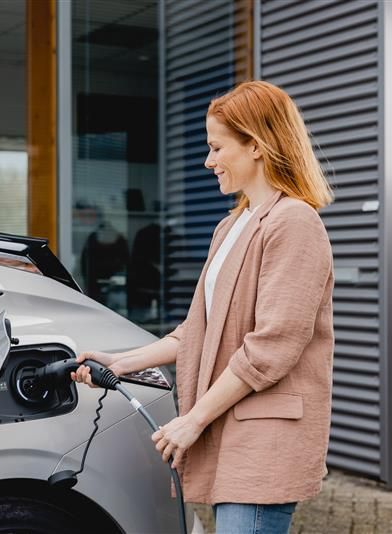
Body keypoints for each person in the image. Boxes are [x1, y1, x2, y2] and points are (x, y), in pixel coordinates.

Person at [71, 80, 334, 534]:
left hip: (263, 436)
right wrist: (121, 361)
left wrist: (193, 419)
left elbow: (271, 348)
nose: (208, 161)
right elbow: (197, 330)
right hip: (229, 427)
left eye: (216, 147)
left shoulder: (294, 222)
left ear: (256, 145)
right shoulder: (231, 225)